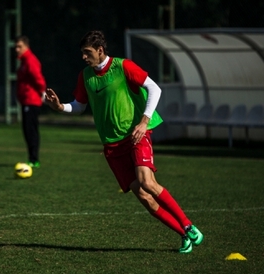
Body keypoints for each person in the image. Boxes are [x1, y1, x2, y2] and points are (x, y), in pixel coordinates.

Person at [44, 30, 203, 253]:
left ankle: (189, 225)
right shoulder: (86, 76)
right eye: (82, 53)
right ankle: (184, 234)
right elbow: (79, 106)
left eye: (87, 52)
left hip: (136, 133)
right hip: (112, 144)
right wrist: (60, 107)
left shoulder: (123, 66)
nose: (83, 57)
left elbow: (154, 88)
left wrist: (144, 121)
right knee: (144, 197)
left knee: (147, 182)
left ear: (100, 51)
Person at [15, 35, 47, 168]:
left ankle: (34, 160)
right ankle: (32, 158)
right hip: (26, 100)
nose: (17, 49)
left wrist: (43, 92)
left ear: (26, 47)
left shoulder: (30, 60)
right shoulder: (23, 61)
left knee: (31, 130)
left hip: (32, 101)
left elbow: (38, 78)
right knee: (27, 131)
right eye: (16, 46)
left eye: (19, 46)